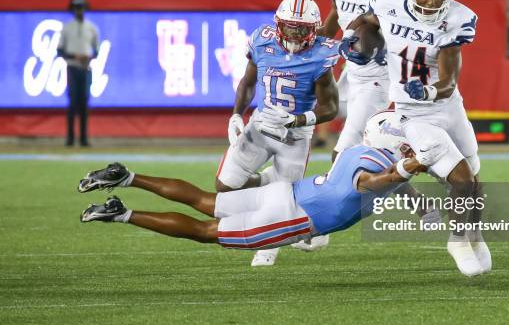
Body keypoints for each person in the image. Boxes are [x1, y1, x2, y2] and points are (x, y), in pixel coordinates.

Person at [78, 113, 462, 270]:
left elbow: (390, 184)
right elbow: (373, 183)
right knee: (204, 231)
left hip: (287, 193)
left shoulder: (358, 150)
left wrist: (420, 204)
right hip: (294, 217)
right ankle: (122, 213)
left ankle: (127, 176)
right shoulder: (381, 164)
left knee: (204, 201)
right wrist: (408, 166)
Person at [339, 0, 490, 277]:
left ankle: (473, 234)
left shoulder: (457, 21)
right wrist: (354, 41)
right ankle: (458, 240)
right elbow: (367, 19)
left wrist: (431, 91)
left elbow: (448, 83)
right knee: (460, 178)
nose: (430, 2)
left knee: (475, 182)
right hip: (412, 114)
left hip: (446, 105)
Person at [218, 0, 340, 266]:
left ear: (314, 29)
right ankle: (266, 181)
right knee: (225, 187)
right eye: (289, 26)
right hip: (261, 124)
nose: (295, 33)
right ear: (277, 24)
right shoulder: (262, 40)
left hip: (295, 134)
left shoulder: (321, 54)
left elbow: (330, 107)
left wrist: (297, 121)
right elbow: (248, 82)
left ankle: (268, 248)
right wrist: (237, 114)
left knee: (281, 203)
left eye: (302, 28)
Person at [318, 0, 394, 162]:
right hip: (350, 75)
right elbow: (330, 28)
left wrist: (357, 33)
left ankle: (336, 194)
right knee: (299, 112)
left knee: (342, 155)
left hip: (378, 79)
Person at [57, 0, 100, 147]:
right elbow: (59, 50)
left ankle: (83, 138)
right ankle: (70, 138)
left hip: (86, 68)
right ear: (73, 10)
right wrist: (74, 56)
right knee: (73, 102)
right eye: (76, 8)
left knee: (84, 103)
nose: (79, 11)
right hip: (72, 68)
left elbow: (97, 50)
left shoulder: (92, 28)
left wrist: (88, 57)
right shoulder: (67, 28)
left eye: (81, 8)